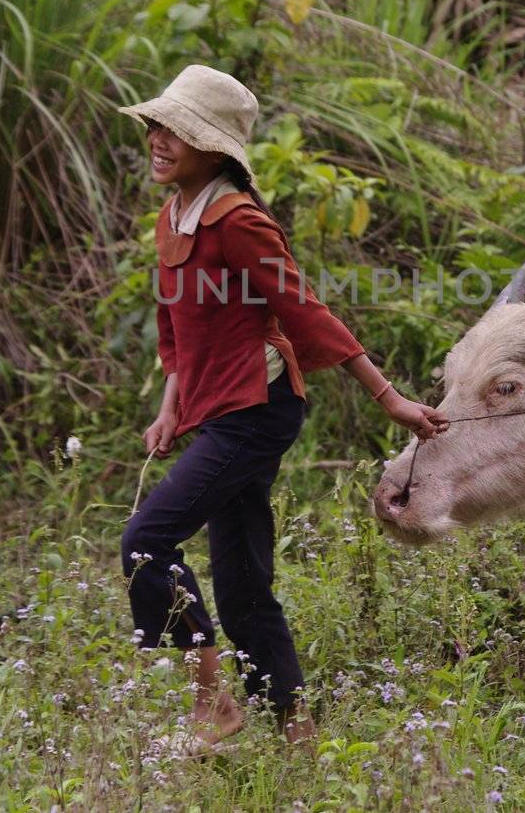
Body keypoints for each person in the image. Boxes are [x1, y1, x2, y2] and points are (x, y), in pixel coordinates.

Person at [116, 64, 449, 751]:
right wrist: (171, 405)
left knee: (146, 540)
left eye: (174, 129)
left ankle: (212, 703)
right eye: (155, 125)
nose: (157, 137)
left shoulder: (236, 219)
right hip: (217, 411)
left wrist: (387, 397)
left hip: (257, 408)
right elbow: (174, 324)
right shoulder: (172, 217)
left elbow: (303, 308)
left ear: (213, 147)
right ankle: (298, 734)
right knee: (241, 584)